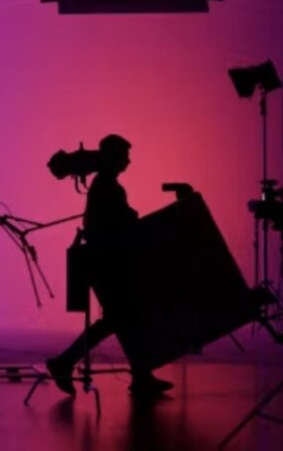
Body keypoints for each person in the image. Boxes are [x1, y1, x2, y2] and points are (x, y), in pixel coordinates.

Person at [46, 134, 174, 397]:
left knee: (124, 319)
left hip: (104, 263)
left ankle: (140, 376)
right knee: (120, 319)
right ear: (114, 157)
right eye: (125, 156)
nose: (128, 161)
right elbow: (119, 224)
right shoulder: (108, 187)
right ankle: (64, 363)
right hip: (107, 265)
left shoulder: (105, 185)